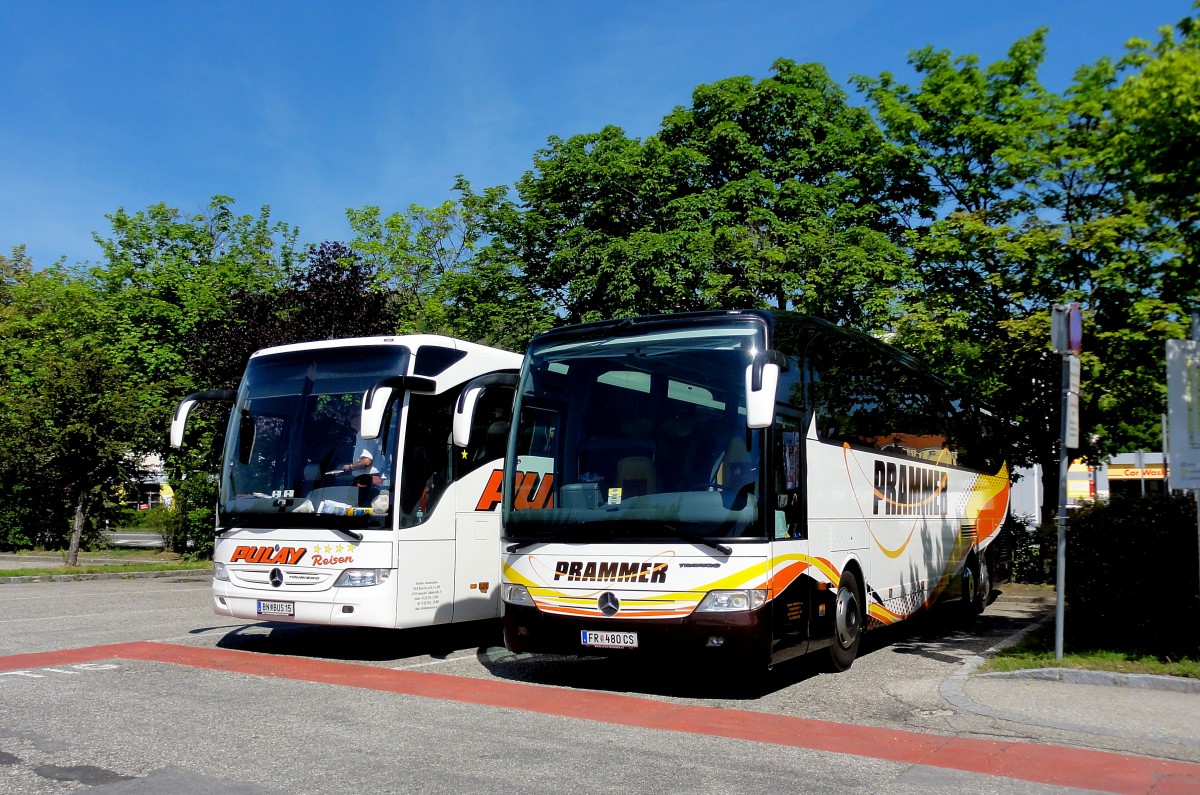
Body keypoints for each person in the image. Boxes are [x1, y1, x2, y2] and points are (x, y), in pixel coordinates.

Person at [342, 412, 383, 507]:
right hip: (367, 479)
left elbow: (366, 461)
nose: (350, 419)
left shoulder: (365, 435)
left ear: (362, 418)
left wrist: (350, 467)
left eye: (352, 416)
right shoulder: (365, 435)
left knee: (361, 508)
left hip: (366, 480)